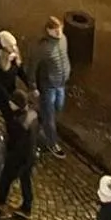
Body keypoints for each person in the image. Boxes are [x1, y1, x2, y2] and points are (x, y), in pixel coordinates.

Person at [0, 85, 39, 219]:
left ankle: (0, 203)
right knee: (26, 180)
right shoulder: (32, 114)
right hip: (30, 154)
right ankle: (27, 207)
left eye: (12, 103)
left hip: (18, 157)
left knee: (5, 179)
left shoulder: (18, 123)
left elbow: (13, 142)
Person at [32, 15, 70, 157]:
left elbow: (64, 57)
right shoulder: (43, 47)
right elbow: (32, 66)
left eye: (60, 30)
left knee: (58, 107)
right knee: (50, 116)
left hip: (61, 83)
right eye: (56, 31)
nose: (59, 33)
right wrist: (33, 86)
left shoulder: (63, 39)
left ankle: (39, 119)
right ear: (48, 31)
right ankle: (51, 142)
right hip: (48, 86)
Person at [0, 30, 28, 118]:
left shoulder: (13, 57)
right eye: (11, 46)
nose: (14, 48)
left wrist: (29, 84)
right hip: (1, 93)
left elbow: (20, 70)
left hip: (11, 90)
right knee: (7, 113)